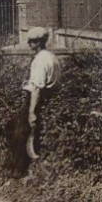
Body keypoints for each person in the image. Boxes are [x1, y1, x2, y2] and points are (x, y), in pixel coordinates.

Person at [17, 26, 60, 172]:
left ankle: (21, 170)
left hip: (37, 100)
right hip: (50, 97)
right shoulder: (51, 57)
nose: (29, 44)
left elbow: (37, 88)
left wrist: (31, 112)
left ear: (39, 43)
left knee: (23, 133)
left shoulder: (40, 61)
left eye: (31, 42)